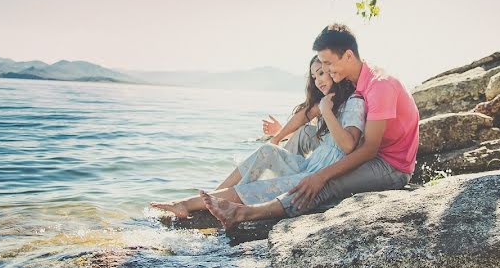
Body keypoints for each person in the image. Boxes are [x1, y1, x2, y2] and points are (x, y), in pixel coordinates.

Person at [203, 23, 419, 228]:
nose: (324, 69)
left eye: (328, 63)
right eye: (321, 64)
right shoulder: (355, 79)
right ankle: (261, 186)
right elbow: (309, 113)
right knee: (305, 140)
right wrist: (277, 137)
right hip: (371, 152)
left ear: (348, 56)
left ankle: (244, 213)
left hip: (391, 166)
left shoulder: (379, 86)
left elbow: (370, 149)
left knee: (325, 183)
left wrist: (320, 176)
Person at [150, 56, 365, 221]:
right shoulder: (329, 101)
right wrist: (277, 138)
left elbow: (348, 145)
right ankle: (213, 196)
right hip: (309, 165)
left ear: (334, 70)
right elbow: (302, 116)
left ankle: (187, 204)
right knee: (267, 151)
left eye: (321, 73)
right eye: (314, 76)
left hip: (318, 175)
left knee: (259, 188)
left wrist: (325, 110)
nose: (317, 81)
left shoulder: (353, 101)